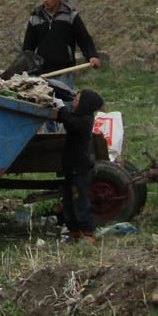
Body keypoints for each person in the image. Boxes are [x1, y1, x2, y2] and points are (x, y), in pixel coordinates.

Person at [22, 0, 101, 93]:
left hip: (64, 71)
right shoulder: (35, 17)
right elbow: (28, 47)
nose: (45, 0)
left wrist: (92, 55)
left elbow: (84, 38)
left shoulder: (71, 16)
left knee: (64, 105)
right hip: (41, 73)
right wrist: (27, 69)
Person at [54, 89, 105, 243]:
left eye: (77, 100)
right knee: (68, 201)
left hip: (80, 168)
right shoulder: (78, 116)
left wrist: (62, 108)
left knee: (80, 200)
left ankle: (87, 232)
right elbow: (66, 120)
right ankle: (74, 231)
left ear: (85, 104)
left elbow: (70, 123)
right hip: (71, 167)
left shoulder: (86, 120)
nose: (74, 102)